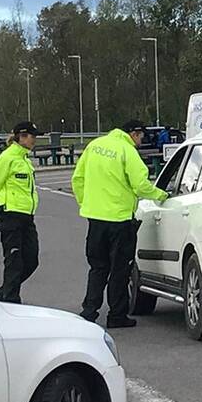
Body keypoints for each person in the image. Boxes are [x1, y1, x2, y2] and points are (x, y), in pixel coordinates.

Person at [71, 120, 168, 328]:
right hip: (120, 220)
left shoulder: (94, 145)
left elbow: (77, 179)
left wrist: (85, 203)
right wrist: (162, 195)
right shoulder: (127, 150)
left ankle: (89, 312)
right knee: (120, 269)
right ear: (133, 133)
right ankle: (116, 315)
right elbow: (141, 185)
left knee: (97, 267)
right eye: (141, 136)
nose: (141, 140)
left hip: (95, 219)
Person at [0, 121, 40, 304]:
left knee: (31, 260)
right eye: (32, 136)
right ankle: (11, 300)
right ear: (21, 137)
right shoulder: (6, 159)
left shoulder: (25, 160)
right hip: (10, 215)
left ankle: (5, 292)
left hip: (26, 216)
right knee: (14, 261)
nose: (34, 140)